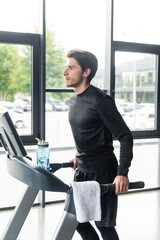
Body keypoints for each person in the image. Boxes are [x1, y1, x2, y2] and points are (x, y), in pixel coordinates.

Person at [63, 49, 133, 240]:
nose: (65, 72)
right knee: (77, 222)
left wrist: (122, 173)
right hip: (83, 169)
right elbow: (90, 132)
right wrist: (80, 155)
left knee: (104, 227)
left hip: (103, 171)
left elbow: (125, 136)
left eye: (71, 67)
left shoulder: (101, 101)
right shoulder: (74, 99)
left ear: (86, 72)